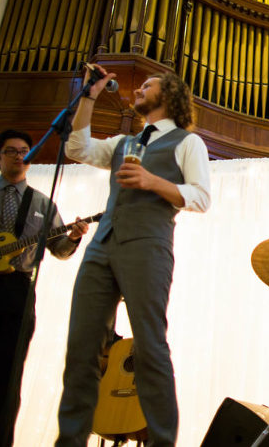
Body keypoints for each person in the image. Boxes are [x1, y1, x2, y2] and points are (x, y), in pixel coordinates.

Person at [56, 66, 211, 446]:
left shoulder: (186, 143)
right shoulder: (124, 142)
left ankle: (161, 441)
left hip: (148, 245)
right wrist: (89, 96)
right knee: (81, 349)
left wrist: (153, 182)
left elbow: (202, 198)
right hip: (101, 245)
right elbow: (76, 148)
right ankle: (70, 440)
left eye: (147, 85)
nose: (138, 89)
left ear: (170, 95)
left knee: (149, 346)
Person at [0, 129, 88, 447]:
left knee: (8, 376)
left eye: (24, 151)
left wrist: (73, 237)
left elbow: (59, 250)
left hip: (18, 290)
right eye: (11, 151)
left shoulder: (43, 204)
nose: (19, 156)